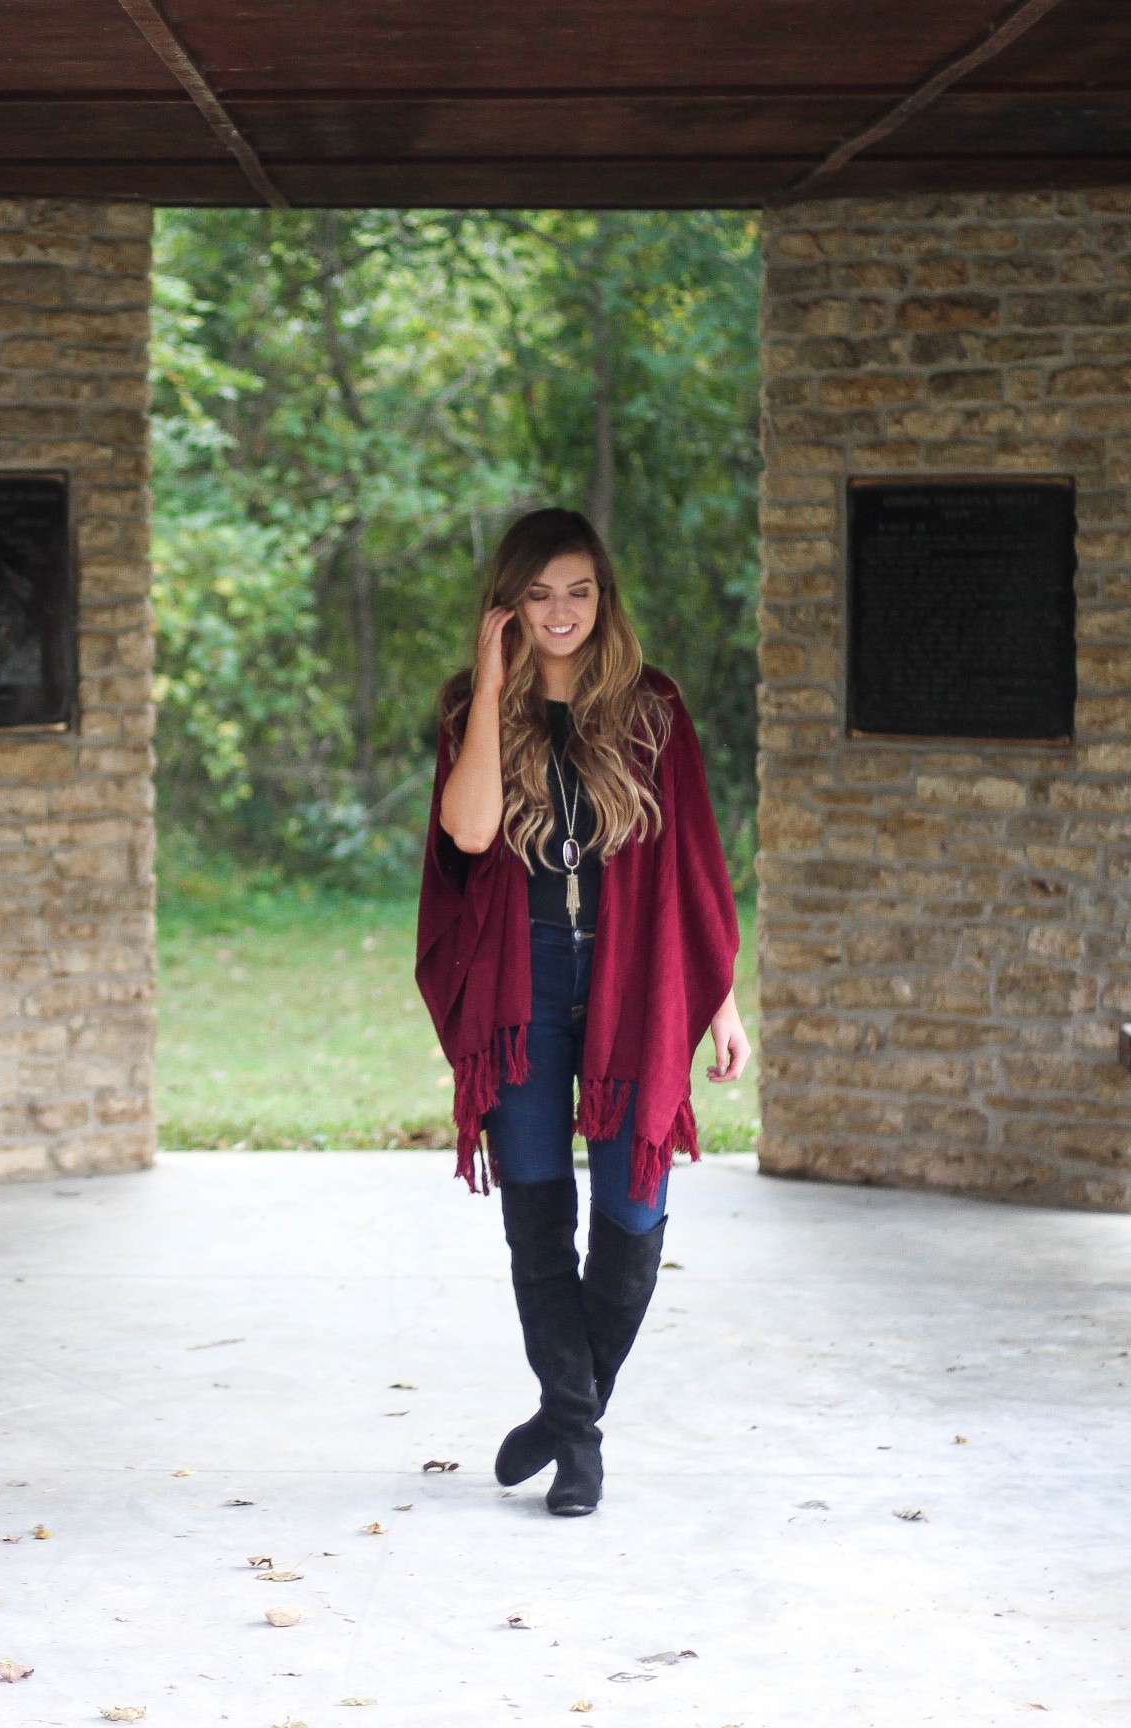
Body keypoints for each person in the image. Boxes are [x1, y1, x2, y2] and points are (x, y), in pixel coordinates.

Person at [414, 507, 747, 1518]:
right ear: (510, 606)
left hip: (631, 980)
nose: (561, 611)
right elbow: (469, 835)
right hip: (522, 987)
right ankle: (585, 1449)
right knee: (537, 1213)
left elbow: (690, 862)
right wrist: (492, 682)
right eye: (539, 593)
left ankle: (566, 1419)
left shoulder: (652, 710)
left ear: (602, 600)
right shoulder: (476, 708)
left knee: (633, 1210)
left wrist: (722, 1000)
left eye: (579, 591)